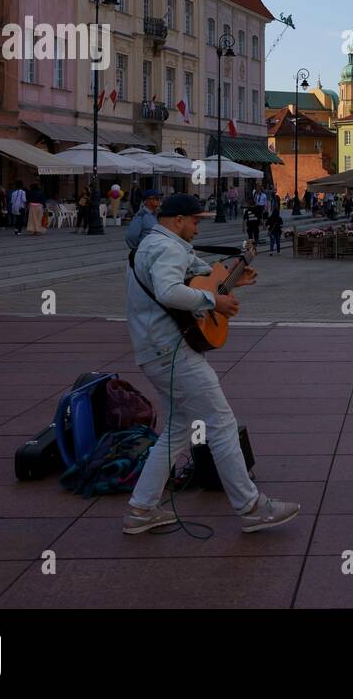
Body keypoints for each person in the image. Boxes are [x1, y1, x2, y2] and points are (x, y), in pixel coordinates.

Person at [122, 194, 299, 534]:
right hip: (172, 351)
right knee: (220, 422)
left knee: (177, 430)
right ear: (177, 220)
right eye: (195, 221)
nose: (198, 227)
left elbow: (193, 279)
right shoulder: (167, 248)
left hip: (154, 351)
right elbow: (169, 291)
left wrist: (232, 282)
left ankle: (141, 509)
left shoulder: (155, 245)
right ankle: (251, 507)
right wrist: (212, 300)